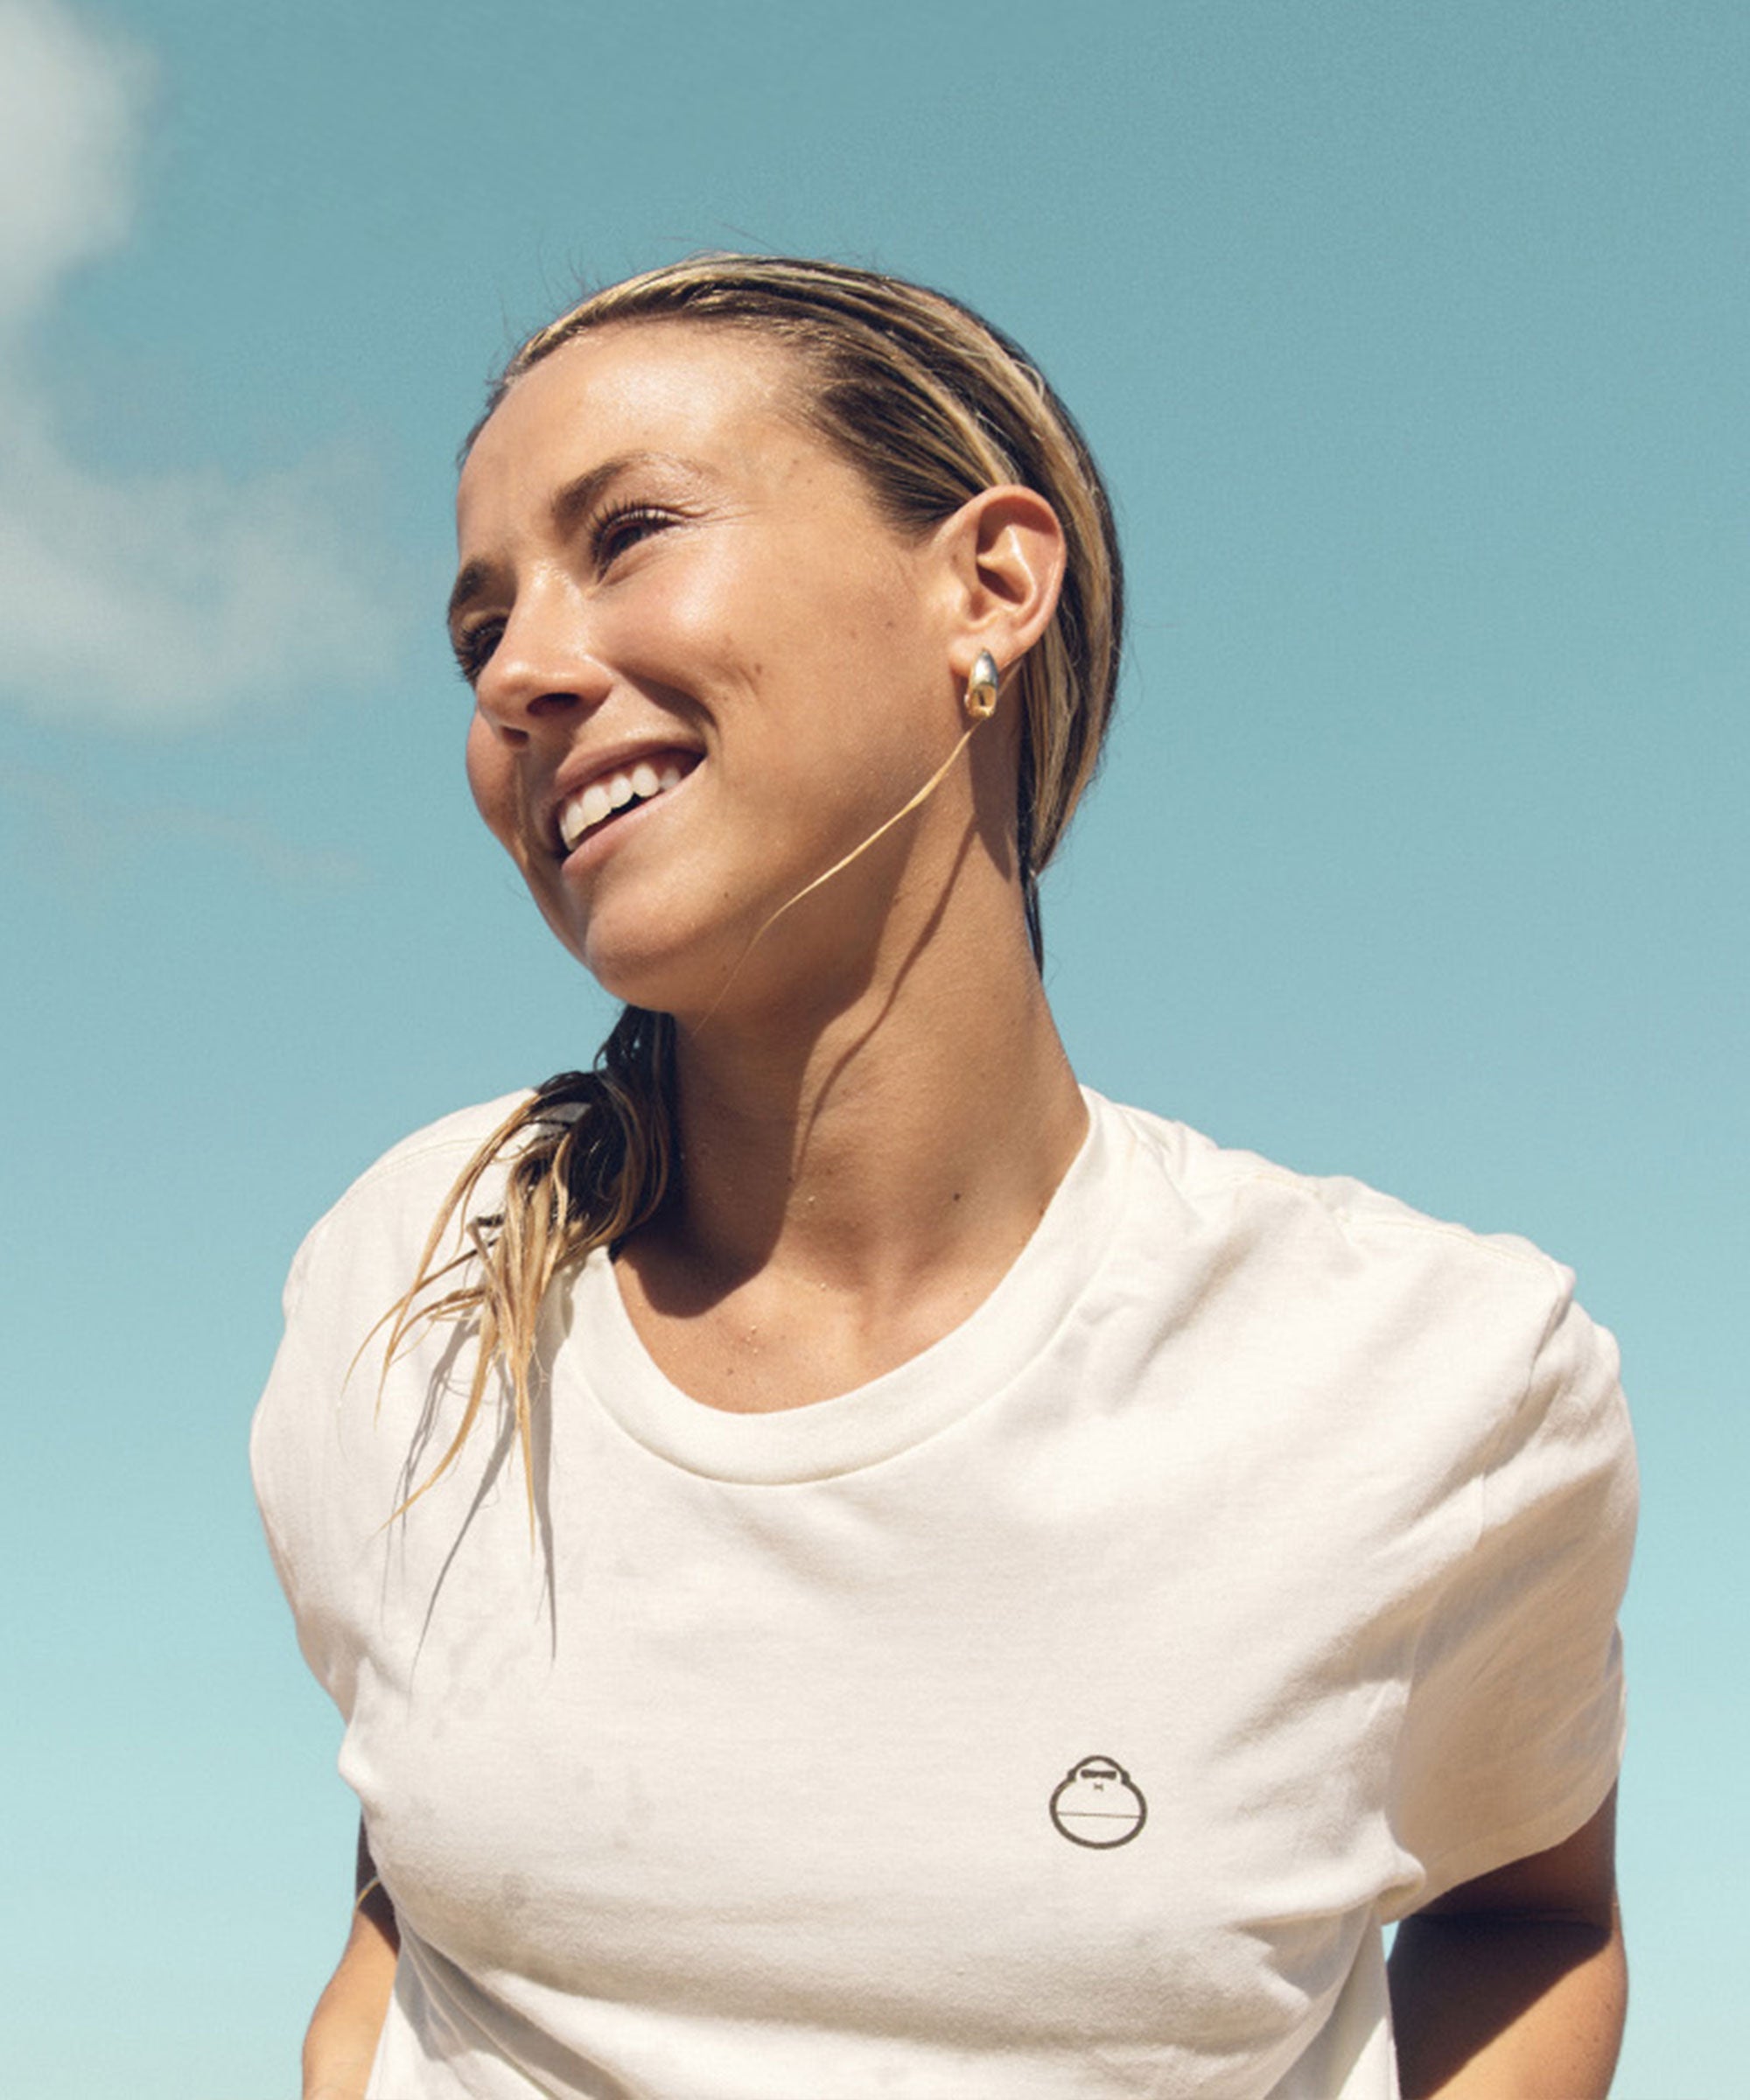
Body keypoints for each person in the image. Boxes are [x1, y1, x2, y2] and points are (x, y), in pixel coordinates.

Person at [252, 256, 1636, 2100]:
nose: (520, 672)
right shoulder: (412, 1279)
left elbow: (1526, 1912)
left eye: (632, 532)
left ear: (986, 587)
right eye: (477, 629)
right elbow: (415, 1884)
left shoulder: (1434, 1380)